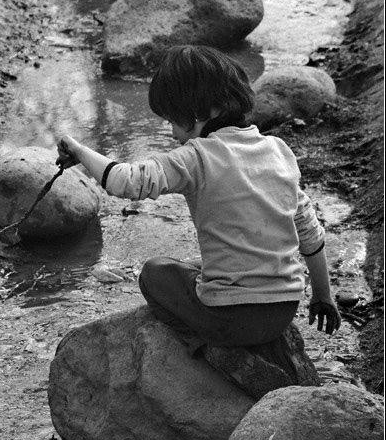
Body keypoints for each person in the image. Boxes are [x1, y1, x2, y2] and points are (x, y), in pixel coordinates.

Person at [56, 45, 341, 397]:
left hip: (229, 321)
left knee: (155, 271)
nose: (173, 133)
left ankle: (212, 349)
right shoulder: (279, 151)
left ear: (209, 110)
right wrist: (323, 297)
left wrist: (80, 150)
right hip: (282, 311)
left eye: (175, 120)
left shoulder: (196, 156)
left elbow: (125, 181)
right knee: (198, 263)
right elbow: (310, 235)